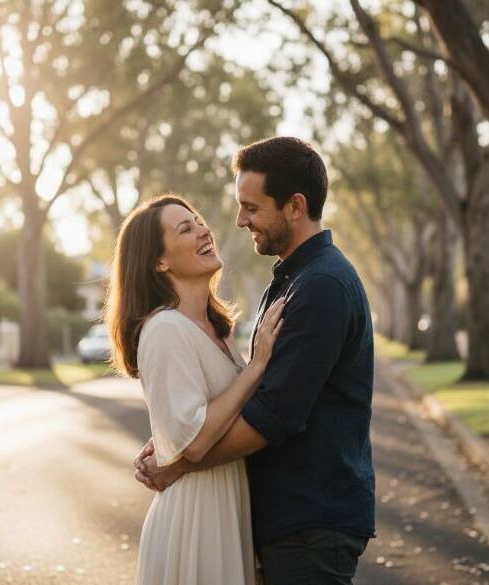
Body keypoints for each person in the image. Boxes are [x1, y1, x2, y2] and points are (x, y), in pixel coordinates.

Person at [134, 136, 376, 585]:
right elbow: (235, 403)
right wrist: (173, 439)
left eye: (252, 207)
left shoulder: (320, 285)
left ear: (295, 206)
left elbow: (273, 415)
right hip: (279, 520)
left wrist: (178, 462)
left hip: (310, 520)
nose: (241, 221)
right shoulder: (290, 281)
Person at [105, 194, 285, 585]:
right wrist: (256, 367)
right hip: (195, 517)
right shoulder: (165, 329)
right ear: (159, 261)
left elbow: (197, 424)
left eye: (199, 221)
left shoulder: (217, 330)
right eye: (185, 228)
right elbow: (197, 443)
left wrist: (165, 441)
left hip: (227, 507)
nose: (204, 230)